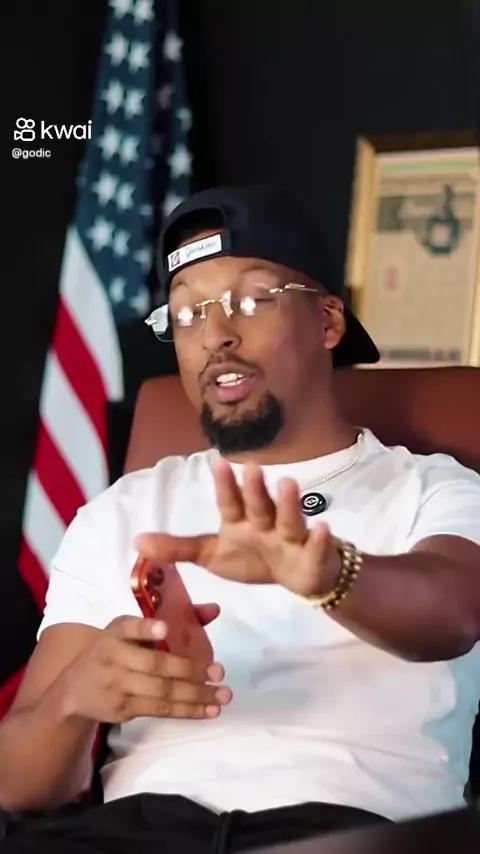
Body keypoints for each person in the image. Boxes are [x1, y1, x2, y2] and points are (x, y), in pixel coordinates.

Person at [1, 185, 480, 854]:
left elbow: (454, 613)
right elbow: (18, 786)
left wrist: (329, 576)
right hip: (137, 833)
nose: (215, 334)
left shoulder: (434, 487)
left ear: (328, 322)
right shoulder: (124, 510)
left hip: (346, 831)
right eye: (187, 312)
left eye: (251, 301)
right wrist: (74, 700)